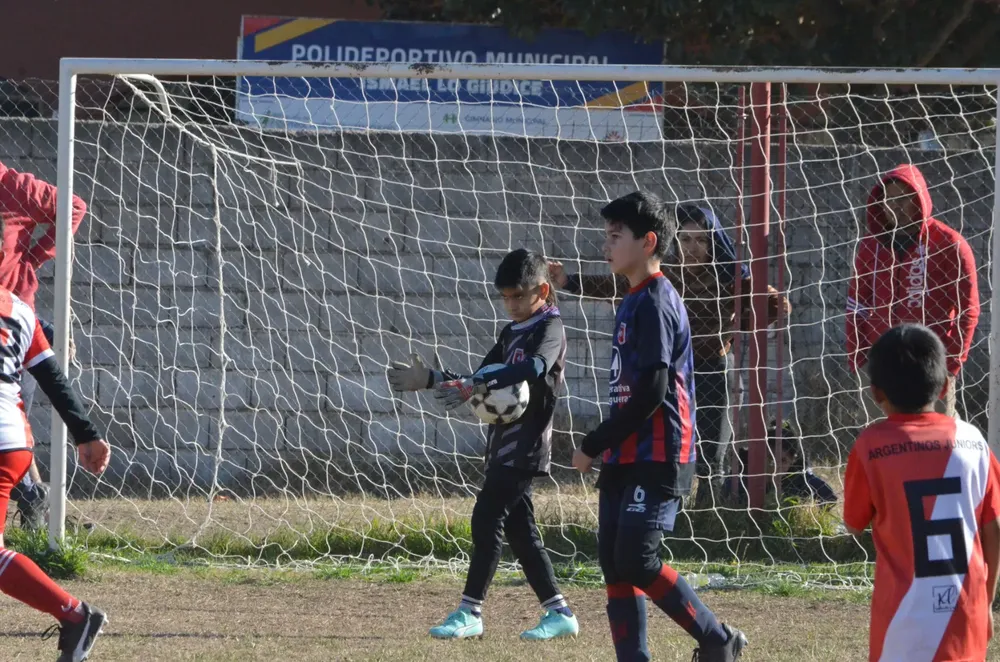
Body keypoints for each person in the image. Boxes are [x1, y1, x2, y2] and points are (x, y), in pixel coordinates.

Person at [570, 191, 747, 661]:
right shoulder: (632, 298)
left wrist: (593, 442)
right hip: (628, 451)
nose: (606, 245)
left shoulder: (656, 302)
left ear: (648, 242)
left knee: (637, 560)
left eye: (615, 236)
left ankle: (717, 639)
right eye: (604, 236)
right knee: (614, 562)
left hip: (660, 452)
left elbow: (651, 393)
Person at [387, 248, 579, 641]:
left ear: (542, 290)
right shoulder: (510, 332)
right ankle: (559, 613)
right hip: (503, 441)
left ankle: (470, 610)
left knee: (486, 516)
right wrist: (433, 378)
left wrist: (481, 383)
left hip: (526, 445)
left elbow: (534, 368)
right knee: (521, 532)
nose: (510, 304)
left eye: (518, 296)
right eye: (505, 297)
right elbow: (480, 376)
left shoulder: (551, 328)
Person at [552, 204, 789, 506]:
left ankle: (707, 514)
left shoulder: (728, 277)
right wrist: (567, 281)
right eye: (686, 239)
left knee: (712, 449)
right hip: (672, 373)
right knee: (669, 444)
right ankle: (671, 509)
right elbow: (613, 285)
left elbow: (777, 305)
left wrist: (737, 325)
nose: (693, 247)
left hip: (711, 368)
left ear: (712, 242)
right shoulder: (665, 275)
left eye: (701, 240)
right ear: (675, 241)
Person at [843, 323, 1000, 661]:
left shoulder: (870, 447)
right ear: (945, 386)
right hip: (965, 613)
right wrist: (986, 601)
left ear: (875, 392)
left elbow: (853, 523)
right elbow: (994, 529)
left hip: (903, 619)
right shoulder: (973, 441)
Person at [0, 214, 110, 661]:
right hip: (14, 443)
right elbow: (52, 379)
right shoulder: (19, 309)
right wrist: (86, 435)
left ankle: (76, 615)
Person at [846, 164, 979, 418]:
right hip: (881, 366)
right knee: (883, 447)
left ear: (919, 199)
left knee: (934, 447)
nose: (894, 207)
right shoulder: (869, 247)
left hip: (931, 367)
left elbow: (968, 311)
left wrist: (950, 367)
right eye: (889, 199)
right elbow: (856, 306)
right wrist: (860, 358)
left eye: (903, 199)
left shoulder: (949, 244)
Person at [0, 159, 87, 530]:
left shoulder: (15, 187)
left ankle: (40, 507)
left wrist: (31, 259)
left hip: (12, 322)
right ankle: (38, 502)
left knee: (11, 421)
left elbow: (75, 206)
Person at [724, 420, 837, 506]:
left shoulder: (800, 479)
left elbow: (830, 498)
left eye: (783, 460)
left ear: (793, 460)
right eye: (769, 458)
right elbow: (726, 496)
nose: (774, 466)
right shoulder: (741, 474)